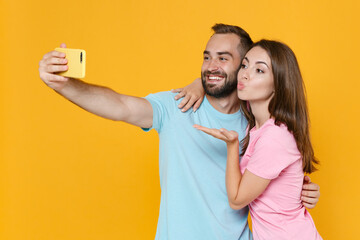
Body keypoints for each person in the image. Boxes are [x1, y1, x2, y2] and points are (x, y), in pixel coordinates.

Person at [38, 24, 320, 240]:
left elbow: (277, 175)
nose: (211, 66)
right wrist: (64, 85)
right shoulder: (178, 106)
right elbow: (121, 105)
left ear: (243, 66)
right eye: (207, 57)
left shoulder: (255, 123)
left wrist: (301, 191)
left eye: (224, 58)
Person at [194, 40, 322, 239]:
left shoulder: (275, 136)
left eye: (259, 70)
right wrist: (197, 85)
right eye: (244, 65)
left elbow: (237, 200)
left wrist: (231, 145)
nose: (244, 74)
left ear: (278, 84)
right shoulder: (256, 128)